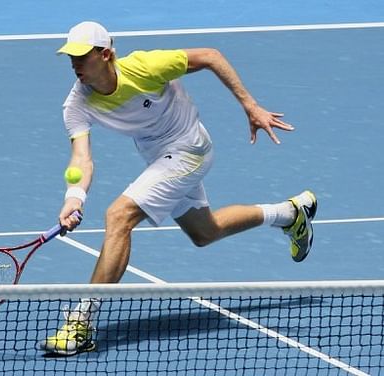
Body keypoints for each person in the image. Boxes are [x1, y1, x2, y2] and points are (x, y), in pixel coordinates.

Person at [39, 21, 317, 355]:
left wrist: (250, 105)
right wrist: (74, 197)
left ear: (106, 54)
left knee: (119, 216)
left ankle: (81, 320)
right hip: (158, 157)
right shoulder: (77, 104)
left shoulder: (145, 67)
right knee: (204, 231)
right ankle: (289, 213)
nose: (75, 64)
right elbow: (82, 159)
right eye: (71, 56)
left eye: (82, 56)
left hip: (189, 148)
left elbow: (211, 56)